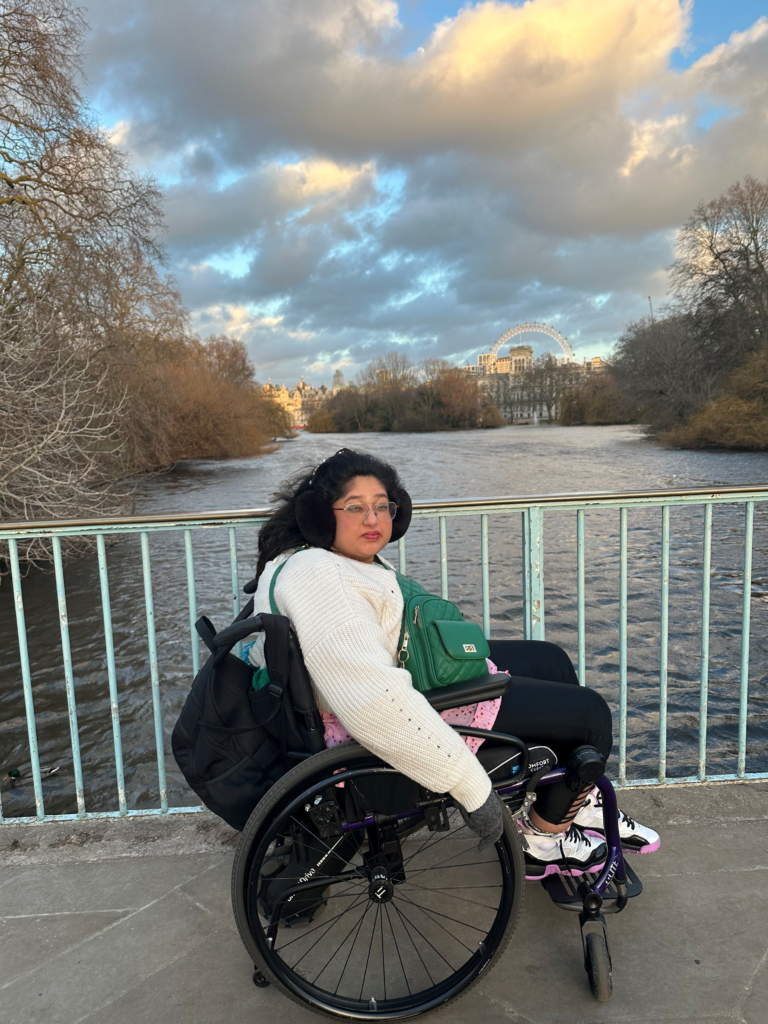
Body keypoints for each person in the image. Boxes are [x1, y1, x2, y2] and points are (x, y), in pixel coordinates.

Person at [247, 448, 658, 877]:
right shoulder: (321, 575)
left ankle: (574, 800)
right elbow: (370, 700)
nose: (373, 519)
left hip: (389, 685)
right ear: (318, 516)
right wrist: (470, 787)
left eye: (382, 506)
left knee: (550, 659)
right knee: (590, 714)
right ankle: (543, 836)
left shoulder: (312, 559)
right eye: (355, 507)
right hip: (384, 718)